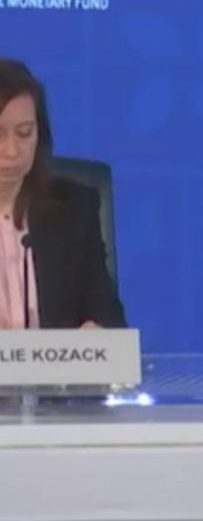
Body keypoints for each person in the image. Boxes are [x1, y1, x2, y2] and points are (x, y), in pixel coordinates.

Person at [0, 59, 126, 329]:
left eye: (24, 133)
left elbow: (110, 321)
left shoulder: (72, 210)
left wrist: (98, 331)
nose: (12, 152)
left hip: (54, 372)